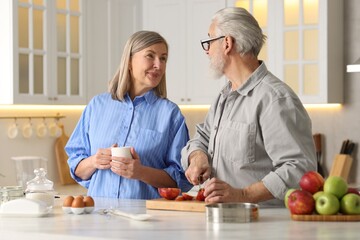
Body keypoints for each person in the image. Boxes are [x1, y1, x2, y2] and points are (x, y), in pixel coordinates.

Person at [181, 7, 317, 207]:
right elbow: (203, 136)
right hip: (224, 222)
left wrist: (243, 195)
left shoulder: (274, 99)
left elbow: (299, 168)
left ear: (227, 43)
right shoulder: (224, 96)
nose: (207, 50)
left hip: (263, 226)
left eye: (209, 41)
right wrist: (198, 156)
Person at [65, 30, 192, 199]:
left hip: (147, 219)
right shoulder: (97, 106)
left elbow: (181, 179)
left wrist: (140, 172)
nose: (159, 65)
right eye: (150, 56)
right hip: (99, 217)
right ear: (130, 61)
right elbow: (77, 170)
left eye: (163, 58)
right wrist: (94, 161)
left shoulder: (170, 114)